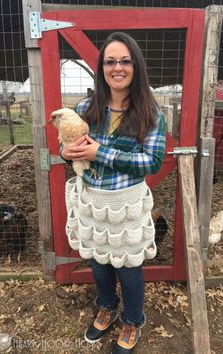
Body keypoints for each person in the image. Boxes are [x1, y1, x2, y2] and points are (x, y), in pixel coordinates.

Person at [61, 32, 166, 354]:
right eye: (110, 61)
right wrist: (67, 154)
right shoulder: (84, 107)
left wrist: (100, 154)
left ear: (135, 66)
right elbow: (67, 148)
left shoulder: (151, 113)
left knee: (129, 266)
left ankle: (133, 319)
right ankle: (106, 305)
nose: (117, 67)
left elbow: (152, 161)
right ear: (101, 67)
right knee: (98, 262)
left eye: (124, 61)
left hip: (126, 204)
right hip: (92, 202)